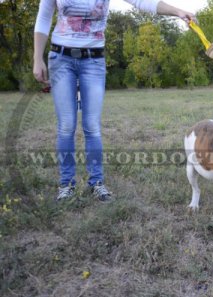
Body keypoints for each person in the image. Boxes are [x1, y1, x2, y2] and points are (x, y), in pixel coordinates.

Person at [33, 0, 195, 202]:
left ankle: (97, 183)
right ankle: (66, 185)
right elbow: (44, 16)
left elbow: (144, 2)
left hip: (93, 61)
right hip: (61, 59)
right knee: (66, 125)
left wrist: (178, 11)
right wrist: (37, 58)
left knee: (92, 126)